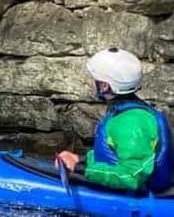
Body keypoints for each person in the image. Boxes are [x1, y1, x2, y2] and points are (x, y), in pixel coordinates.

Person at [55, 47, 174, 192]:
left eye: (94, 79)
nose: (89, 82)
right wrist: (80, 160)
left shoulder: (131, 122)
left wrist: (79, 168)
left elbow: (132, 175)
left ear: (104, 86)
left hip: (141, 198)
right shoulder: (125, 111)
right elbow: (115, 154)